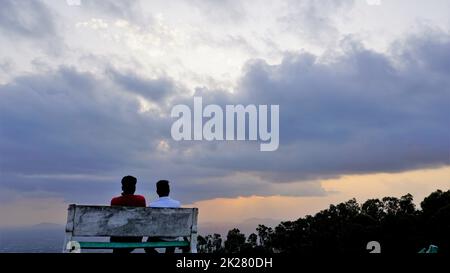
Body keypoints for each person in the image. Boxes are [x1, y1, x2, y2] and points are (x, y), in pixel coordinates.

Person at [145, 180, 184, 254]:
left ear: (157, 191)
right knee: (172, 239)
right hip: (174, 236)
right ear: (169, 190)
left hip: (159, 236)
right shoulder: (177, 204)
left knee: (147, 247)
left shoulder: (152, 205)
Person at [110, 175, 146, 254]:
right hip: (136, 238)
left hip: (117, 238)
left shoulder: (115, 201)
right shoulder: (141, 200)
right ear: (134, 188)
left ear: (122, 187)